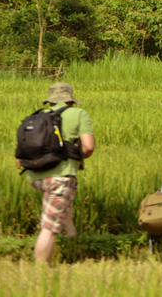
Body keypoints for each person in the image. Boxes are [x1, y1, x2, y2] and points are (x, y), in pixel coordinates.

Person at [24, 82, 95, 264]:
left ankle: (71, 233)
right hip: (60, 177)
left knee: (63, 201)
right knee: (49, 228)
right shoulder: (78, 113)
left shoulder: (38, 116)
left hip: (35, 175)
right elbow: (88, 147)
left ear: (51, 100)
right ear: (70, 100)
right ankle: (41, 270)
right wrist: (76, 157)